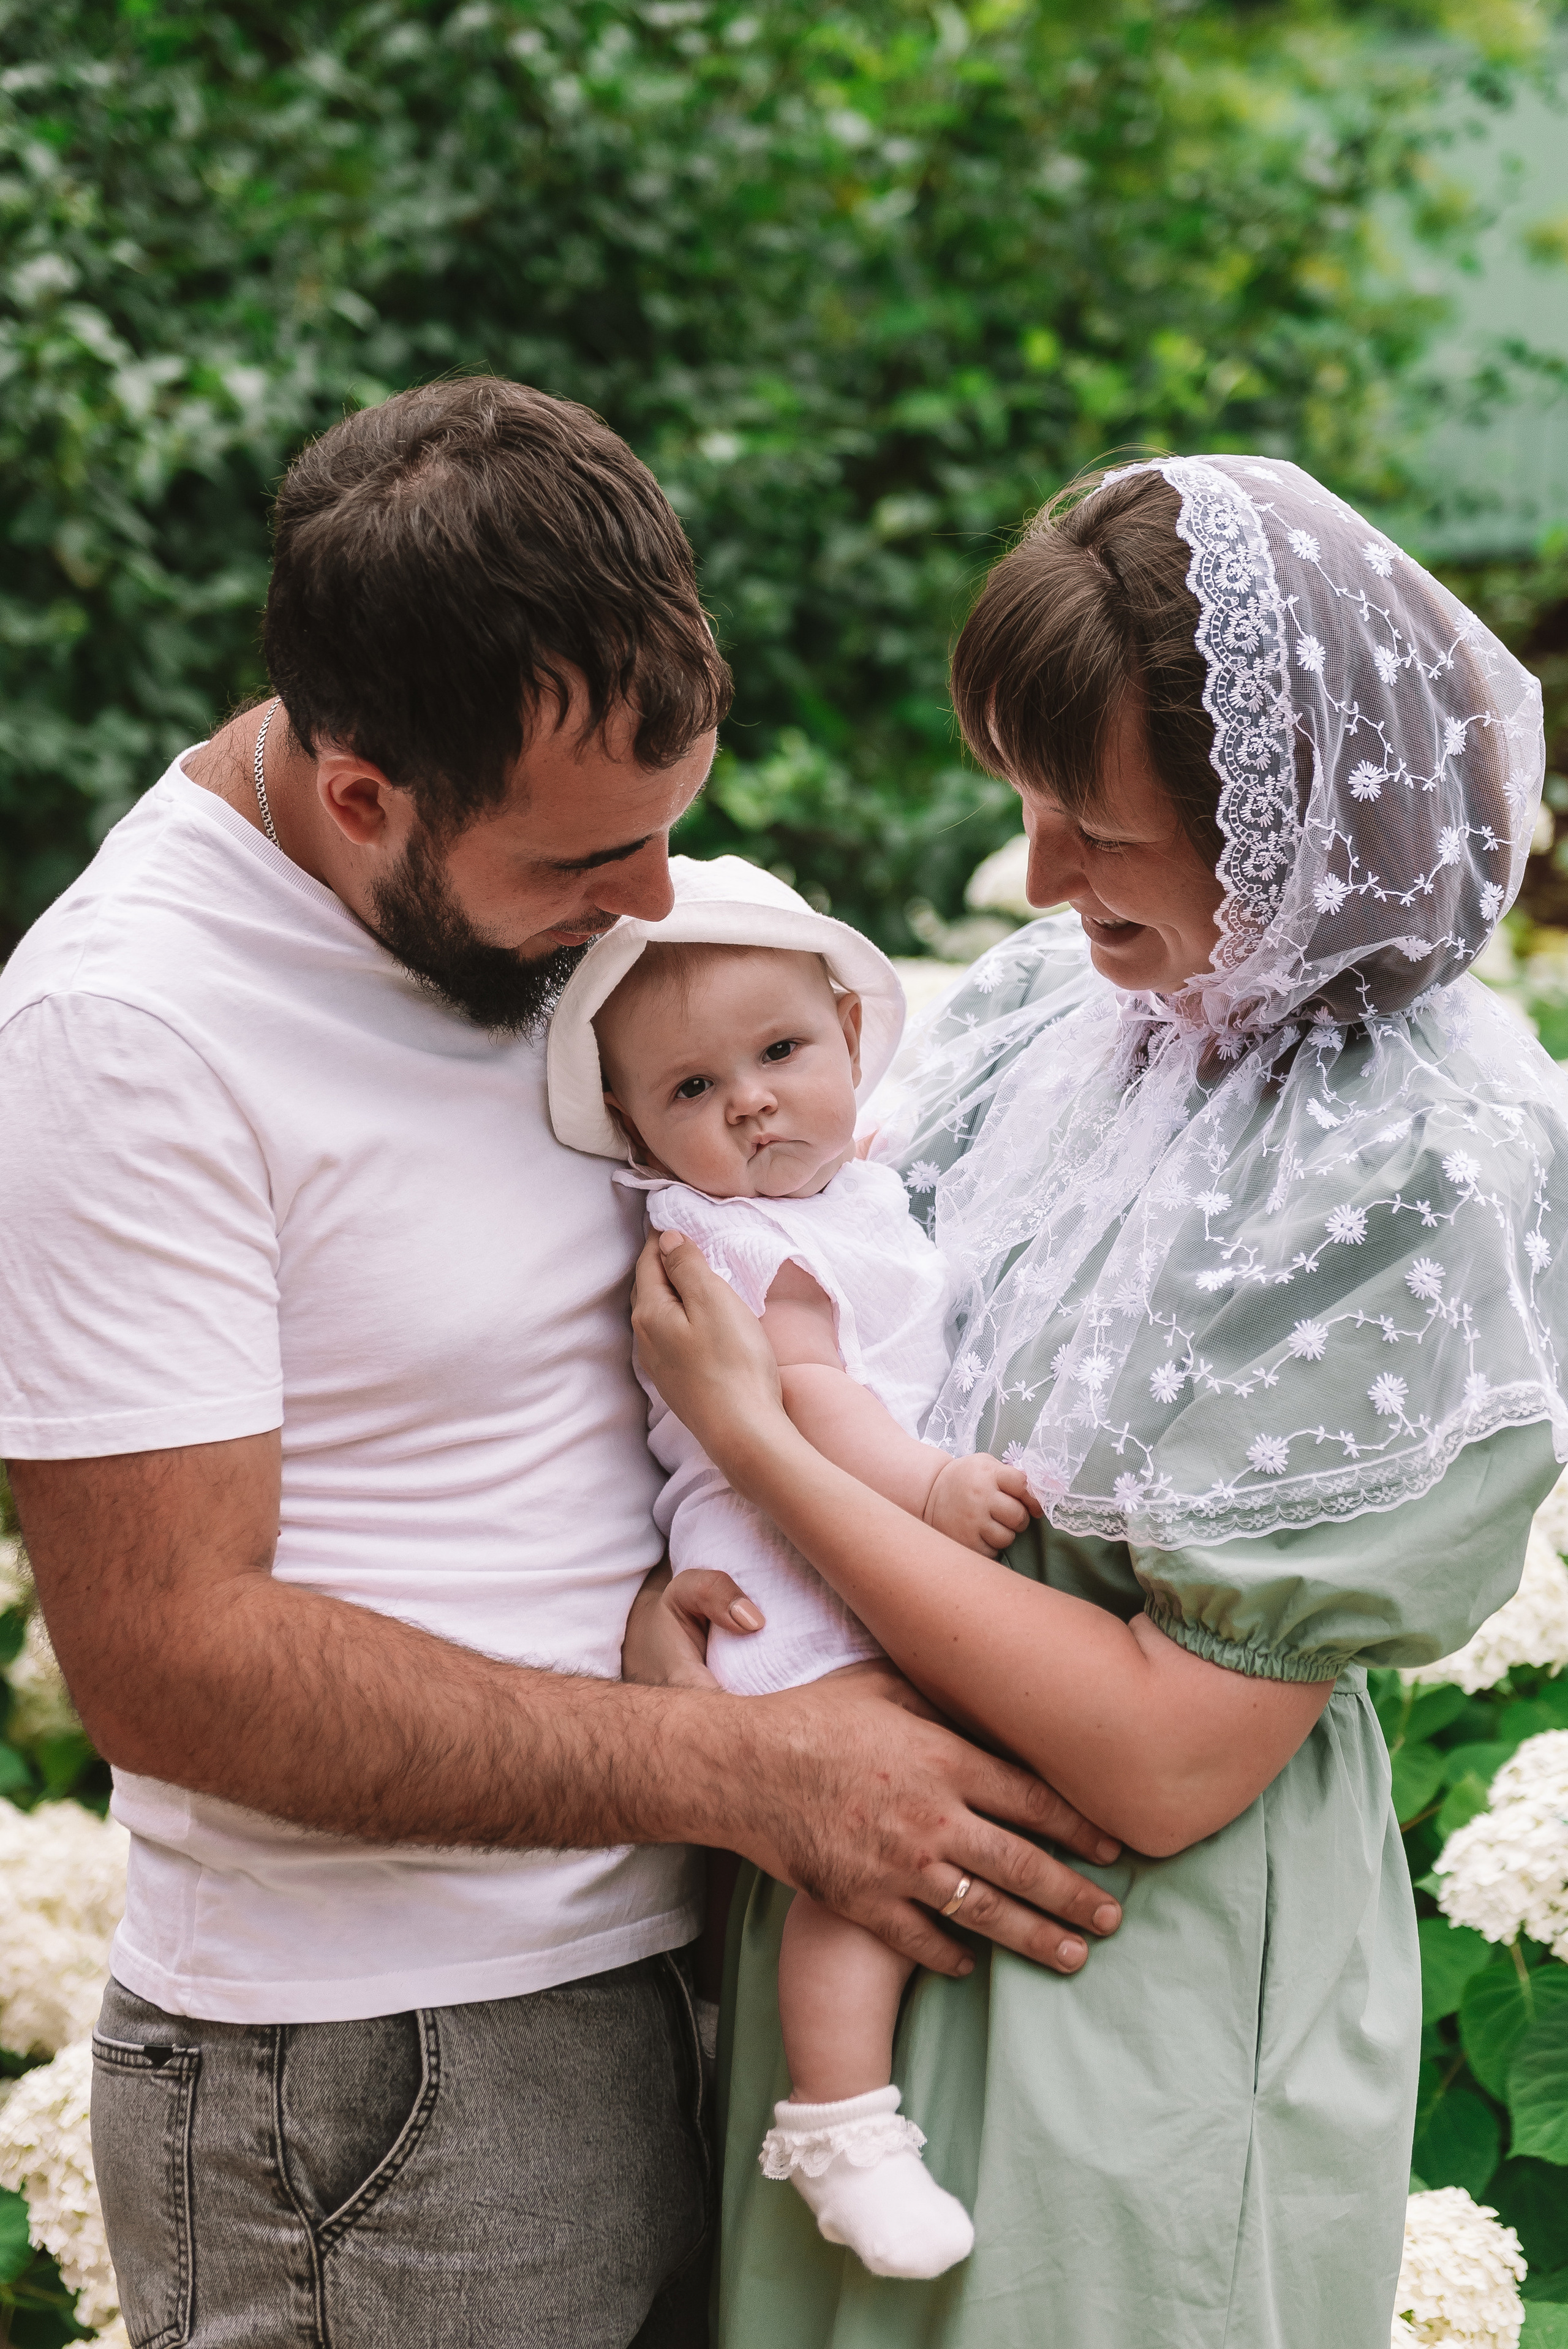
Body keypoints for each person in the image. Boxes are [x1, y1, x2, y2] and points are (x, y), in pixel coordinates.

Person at [0, 379, 1123, 2348]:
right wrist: (757, 1770)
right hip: (378, 2084)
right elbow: (167, 1660)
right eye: (589, 863)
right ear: (365, 795)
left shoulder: (557, 904)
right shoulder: (126, 1035)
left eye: (668, 832)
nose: (654, 908)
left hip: (674, 1974)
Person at [627, 453, 1568, 2349]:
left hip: (1123, 1993)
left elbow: (1165, 1756)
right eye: (1030, 812)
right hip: (872, 1943)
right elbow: (850, 1343)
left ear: (1295, 834)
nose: (1045, 884)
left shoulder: (1427, 1164)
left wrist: (753, 1448)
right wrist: (697, 1647)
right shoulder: (1055, 1016)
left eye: (1098, 832)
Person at [548, 854, 1039, 2280]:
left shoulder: (847, 1194)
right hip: (796, 1579)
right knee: (851, 1859)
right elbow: (812, 1400)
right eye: (691, 1091)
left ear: (845, 1030)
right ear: (636, 1125)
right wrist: (931, 1487)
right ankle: (838, 2124)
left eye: (778, 1053)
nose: (750, 1101)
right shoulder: (735, 1239)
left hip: (829, 1558)